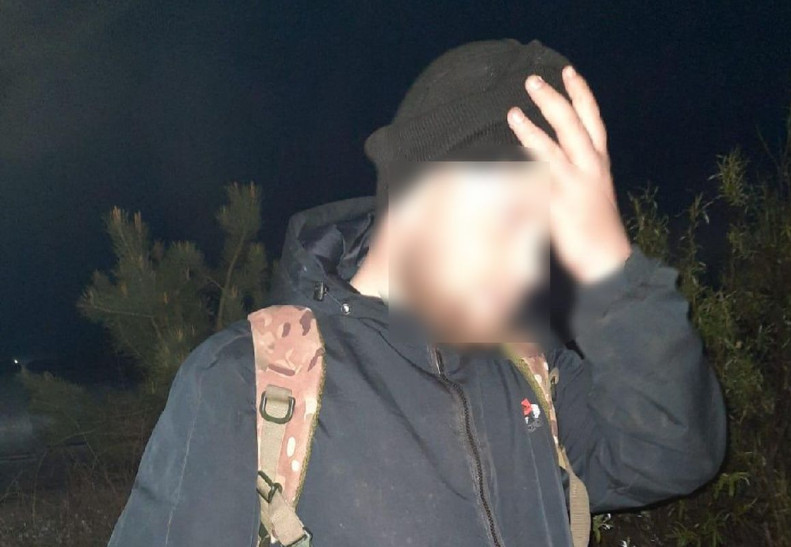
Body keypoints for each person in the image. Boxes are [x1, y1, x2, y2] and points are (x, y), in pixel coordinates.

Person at [109, 39, 726, 547]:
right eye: (512, 219)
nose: (530, 270)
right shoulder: (248, 382)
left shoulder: (531, 374)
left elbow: (674, 453)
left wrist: (612, 270)